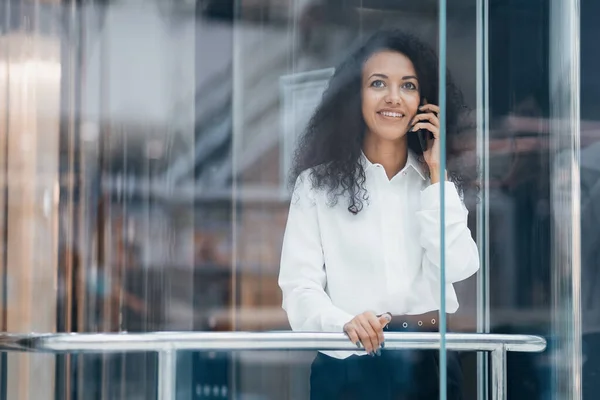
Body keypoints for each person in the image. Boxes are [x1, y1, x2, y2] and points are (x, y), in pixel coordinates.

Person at [278, 29, 480, 400]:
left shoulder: (438, 183)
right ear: (354, 96)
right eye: (377, 83)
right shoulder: (316, 186)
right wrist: (344, 324)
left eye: (407, 85)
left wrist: (437, 176)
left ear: (424, 99)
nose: (393, 98)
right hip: (349, 363)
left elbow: (458, 267)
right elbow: (299, 289)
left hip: (429, 362)